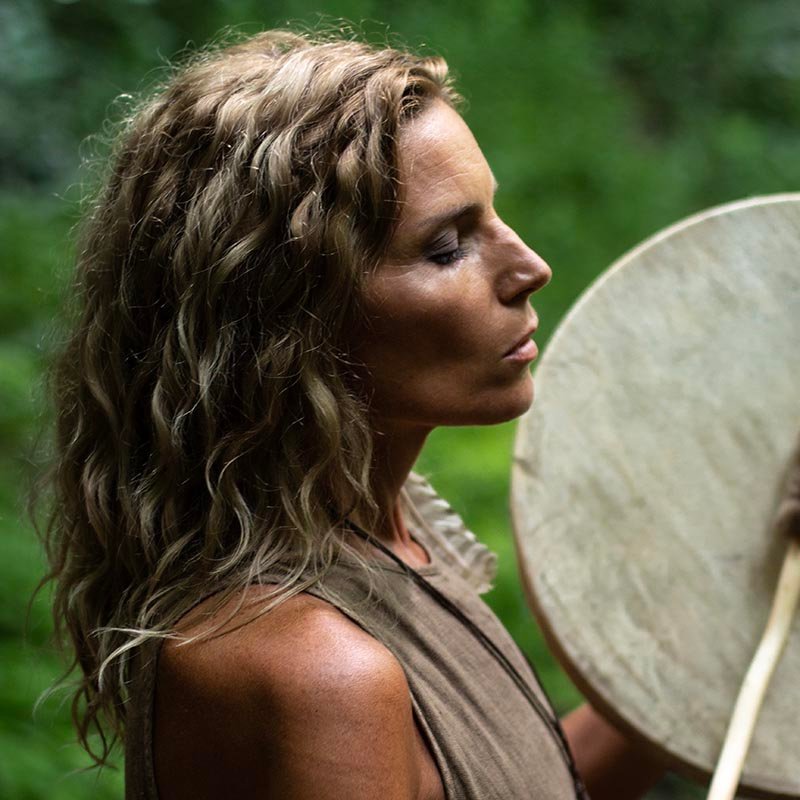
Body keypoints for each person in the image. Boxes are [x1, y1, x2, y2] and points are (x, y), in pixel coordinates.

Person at [33, 28, 800, 800]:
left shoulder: (382, 543)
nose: (531, 268)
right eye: (446, 247)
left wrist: (736, 608)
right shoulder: (321, 675)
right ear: (287, 322)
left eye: (493, 218)